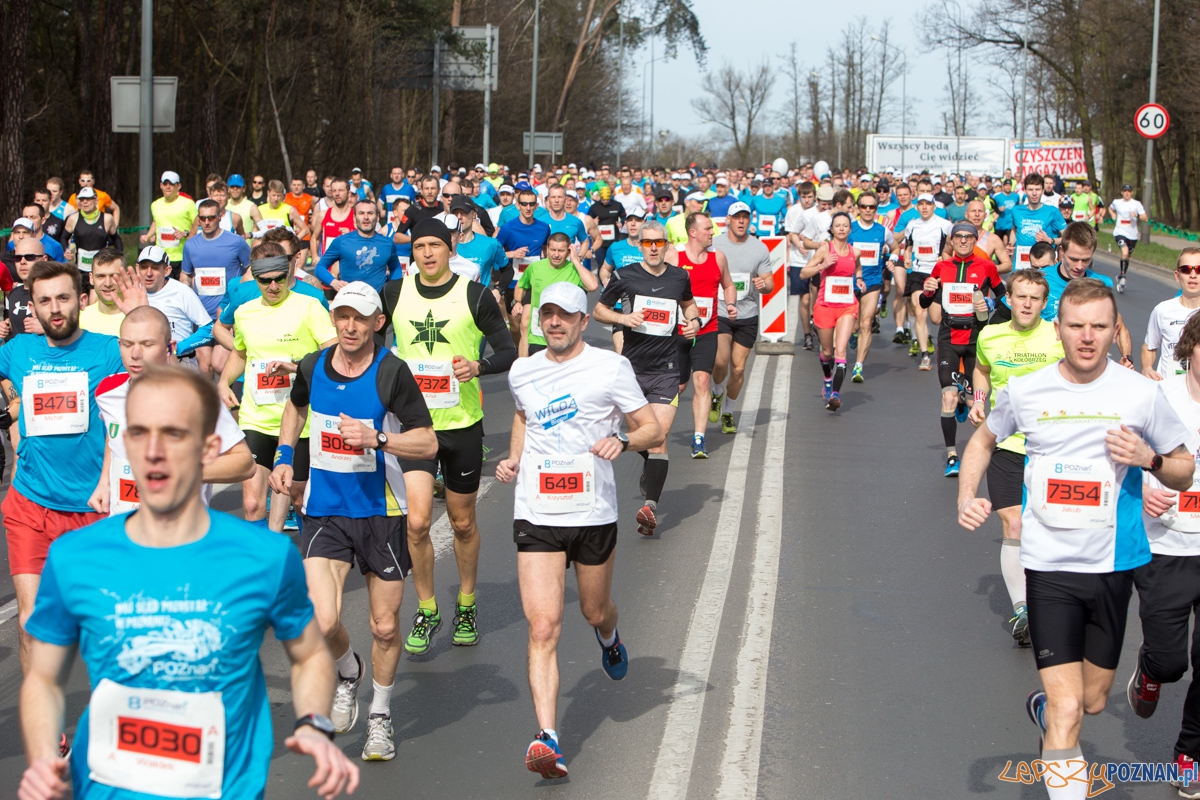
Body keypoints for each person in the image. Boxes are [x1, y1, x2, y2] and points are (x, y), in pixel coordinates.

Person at [18, 364, 359, 800]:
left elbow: (310, 652)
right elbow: (44, 679)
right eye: (139, 433)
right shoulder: (75, 558)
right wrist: (44, 754)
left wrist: (313, 722)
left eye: (174, 434)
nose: (154, 451)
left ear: (208, 448)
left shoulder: (263, 557)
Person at [958, 278, 1193, 800]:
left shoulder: (1141, 394)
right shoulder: (1026, 389)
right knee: (1069, 713)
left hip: (1112, 567)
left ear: (1115, 332)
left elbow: (1183, 467)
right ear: (1058, 329)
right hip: (1049, 566)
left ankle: (1043, 712)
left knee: (1090, 701)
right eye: (1076, 326)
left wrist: (1149, 459)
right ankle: (1056, 730)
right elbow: (984, 438)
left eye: (1099, 327)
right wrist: (966, 495)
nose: (1087, 337)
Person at [496, 282, 663, 780]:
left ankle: (609, 636)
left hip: (591, 511)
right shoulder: (523, 370)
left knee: (593, 609)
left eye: (565, 315)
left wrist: (623, 440)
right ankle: (547, 736)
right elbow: (525, 417)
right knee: (543, 626)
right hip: (538, 511)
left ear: (583, 321)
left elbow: (650, 427)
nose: (554, 323)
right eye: (547, 314)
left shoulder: (611, 367)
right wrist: (513, 458)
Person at [270, 282, 438, 761]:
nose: (349, 325)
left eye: (359, 318)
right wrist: (285, 455)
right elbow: (296, 405)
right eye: (342, 315)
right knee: (322, 621)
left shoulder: (392, 374)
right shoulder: (312, 365)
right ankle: (348, 672)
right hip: (324, 509)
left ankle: (380, 714)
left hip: (381, 512)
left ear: (377, 323)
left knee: (385, 627)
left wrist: (378, 441)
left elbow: (426, 444)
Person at [382, 219, 517, 654]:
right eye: (419, 246)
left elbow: (509, 352)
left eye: (434, 246)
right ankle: (427, 609)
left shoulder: (473, 295)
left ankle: (466, 602)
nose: (426, 253)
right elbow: (363, 342)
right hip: (415, 427)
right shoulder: (394, 293)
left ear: (449, 247)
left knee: (461, 522)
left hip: (461, 423)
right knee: (418, 523)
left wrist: (478, 368)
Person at [0, 261, 124, 677]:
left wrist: (143, 314)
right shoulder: (18, 351)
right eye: (45, 300)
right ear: (31, 307)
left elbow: (164, 380)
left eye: (64, 298)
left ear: (82, 300)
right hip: (30, 504)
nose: (55, 309)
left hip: (92, 506)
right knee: (31, 623)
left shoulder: (108, 349)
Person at [968, 269, 1063, 646]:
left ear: (1044, 303)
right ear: (1008, 298)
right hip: (1006, 445)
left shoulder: (1057, 336)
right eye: (1020, 297)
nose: (1026, 304)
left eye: (1034, 298)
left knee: (1050, 526)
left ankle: (1051, 596)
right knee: (1014, 524)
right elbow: (980, 371)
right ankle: (1023, 608)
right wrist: (978, 403)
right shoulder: (990, 335)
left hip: (1050, 447)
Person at [90, 306, 254, 516]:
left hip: (181, 536)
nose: (136, 354)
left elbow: (245, 463)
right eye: (128, 344)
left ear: (170, 347)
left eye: (147, 344)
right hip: (125, 535)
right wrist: (104, 482)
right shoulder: (107, 392)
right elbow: (113, 435)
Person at [218, 244, 337, 531]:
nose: (273, 286)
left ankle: (301, 559)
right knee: (252, 504)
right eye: (264, 280)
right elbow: (240, 351)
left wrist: (298, 368)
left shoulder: (309, 306)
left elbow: (333, 355)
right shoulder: (245, 313)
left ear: (289, 273)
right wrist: (222, 382)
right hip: (256, 419)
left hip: (300, 423)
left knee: (296, 498)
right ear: (255, 280)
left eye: (279, 278)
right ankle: (265, 565)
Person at [1129, 312, 1200, 793]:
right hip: (1166, 544)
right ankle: (1152, 669)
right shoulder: (1158, 395)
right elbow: (1113, 452)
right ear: (1190, 347)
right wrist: (1142, 485)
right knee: (1173, 660)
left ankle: (1189, 755)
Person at [592, 220, 699, 536]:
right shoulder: (625, 276)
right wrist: (623, 318)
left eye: (659, 243)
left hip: (666, 370)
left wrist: (693, 322)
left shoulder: (680, 277)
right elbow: (599, 310)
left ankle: (649, 507)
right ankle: (650, 465)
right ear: (639, 245)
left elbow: (689, 305)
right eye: (647, 242)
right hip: (631, 371)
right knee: (642, 435)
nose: (653, 248)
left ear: (667, 245)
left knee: (658, 437)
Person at [919, 221, 1002, 477]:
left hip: (976, 338)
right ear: (952, 241)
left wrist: (989, 303)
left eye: (969, 237)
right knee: (948, 396)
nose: (964, 241)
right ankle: (953, 456)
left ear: (975, 240)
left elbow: (1003, 297)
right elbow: (924, 302)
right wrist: (927, 290)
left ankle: (987, 448)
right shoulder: (942, 267)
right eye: (959, 237)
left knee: (973, 399)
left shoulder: (987, 266)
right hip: (948, 338)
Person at [667, 212, 736, 458]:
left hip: (708, 328)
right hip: (677, 330)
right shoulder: (674, 255)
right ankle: (658, 430)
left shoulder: (718, 257)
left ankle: (699, 438)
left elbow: (728, 284)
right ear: (692, 232)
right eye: (708, 228)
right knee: (678, 385)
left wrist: (730, 304)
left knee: (703, 382)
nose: (713, 232)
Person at [711, 202, 773, 432]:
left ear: (749, 220)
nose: (741, 221)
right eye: (736, 217)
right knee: (720, 361)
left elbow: (770, 284)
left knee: (738, 369)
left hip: (747, 314)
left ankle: (728, 411)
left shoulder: (759, 248)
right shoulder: (715, 245)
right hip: (720, 311)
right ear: (727, 219)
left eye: (745, 217)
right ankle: (716, 393)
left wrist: (762, 284)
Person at [180, 199, 251, 374]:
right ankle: (209, 401)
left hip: (226, 315)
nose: (206, 222)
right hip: (201, 316)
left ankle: (231, 398)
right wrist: (185, 293)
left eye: (211, 217)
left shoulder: (236, 242)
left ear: (220, 216)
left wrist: (241, 296)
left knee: (219, 364)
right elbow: (186, 274)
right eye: (202, 218)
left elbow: (250, 268)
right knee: (204, 366)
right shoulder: (190, 245)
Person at [800, 211, 860, 411]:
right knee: (827, 352)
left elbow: (856, 267)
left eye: (845, 225)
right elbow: (803, 273)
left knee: (840, 350)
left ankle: (835, 394)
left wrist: (859, 279)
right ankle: (827, 377)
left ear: (850, 229)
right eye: (838, 225)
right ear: (832, 229)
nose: (841, 228)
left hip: (847, 306)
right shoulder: (825, 249)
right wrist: (822, 265)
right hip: (825, 306)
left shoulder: (855, 251)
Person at [514, 233, 598, 357]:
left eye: (561, 250)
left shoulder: (574, 269)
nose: (556, 254)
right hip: (538, 334)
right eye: (553, 250)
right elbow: (521, 285)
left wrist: (576, 261)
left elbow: (593, 286)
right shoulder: (535, 267)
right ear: (547, 249)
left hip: (564, 334)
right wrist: (517, 302)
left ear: (569, 251)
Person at [135, 246, 214, 371]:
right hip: (144, 366)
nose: (149, 273)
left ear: (167, 270)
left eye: (155, 267)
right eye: (144, 267)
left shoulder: (181, 292)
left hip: (181, 364)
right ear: (137, 269)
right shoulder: (131, 293)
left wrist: (178, 348)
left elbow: (209, 329)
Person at [900, 193, 953, 369]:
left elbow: (952, 249)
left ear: (934, 206)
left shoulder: (944, 225)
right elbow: (907, 247)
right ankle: (925, 356)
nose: (924, 207)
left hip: (937, 274)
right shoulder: (912, 225)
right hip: (917, 273)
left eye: (927, 204)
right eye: (921, 204)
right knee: (920, 313)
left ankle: (931, 339)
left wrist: (945, 259)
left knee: (936, 319)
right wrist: (907, 258)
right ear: (917, 207)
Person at [846, 191, 894, 382]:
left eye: (871, 207)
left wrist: (893, 256)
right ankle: (852, 334)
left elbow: (896, 246)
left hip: (873, 282)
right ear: (858, 208)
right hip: (849, 282)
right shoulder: (850, 229)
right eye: (864, 206)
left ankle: (858, 366)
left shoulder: (883, 231)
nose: (867, 210)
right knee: (854, 324)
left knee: (866, 322)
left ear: (876, 208)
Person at [313, 200, 402, 293]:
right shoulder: (341, 241)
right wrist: (334, 282)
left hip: (378, 302)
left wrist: (392, 287)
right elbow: (320, 267)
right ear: (354, 218)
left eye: (370, 213)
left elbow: (396, 267)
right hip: (349, 300)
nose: (366, 217)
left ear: (377, 217)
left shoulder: (387, 243)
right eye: (361, 213)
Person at [140, 171, 196, 280]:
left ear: (178, 186)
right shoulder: (155, 205)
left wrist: (186, 233)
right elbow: (156, 222)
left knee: (182, 289)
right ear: (161, 186)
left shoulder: (188, 204)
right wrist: (148, 235)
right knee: (163, 289)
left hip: (182, 256)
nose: (168, 187)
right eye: (165, 184)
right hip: (161, 256)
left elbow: (197, 223)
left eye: (171, 184)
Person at [78, 249, 145, 337]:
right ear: (91, 278)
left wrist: (142, 317)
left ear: (126, 276)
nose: (108, 283)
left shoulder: (140, 316)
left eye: (114, 276)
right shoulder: (79, 318)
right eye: (101, 276)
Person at [784, 182, 819, 350]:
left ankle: (816, 322)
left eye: (810, 197)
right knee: (804, 300)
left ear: (815, 196)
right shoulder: (794, 211)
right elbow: (791, 234)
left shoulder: (820, 211)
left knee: (817, 298)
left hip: (817, 261)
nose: (807, 200)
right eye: (804, 197)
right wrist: (800, 245)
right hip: (799, 261)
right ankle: (807, 334)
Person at [1010, 171, 1064, 271]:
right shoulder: (1016, 211)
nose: (1034, 193)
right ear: (1025, 190)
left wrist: (1050, 240)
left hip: (1044, 266)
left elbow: (1067, 237)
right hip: (1021, 264)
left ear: (1043, 190)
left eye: (1037, 189)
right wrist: (1010, 244)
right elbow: (1014, 230)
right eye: (1030, 189)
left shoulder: (1053, 211)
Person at [63, 189, 116, 287]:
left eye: (88, 199)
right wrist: (66, 250)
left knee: (94, 299)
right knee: (81, 300)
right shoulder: (73, 219)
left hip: (99, 269)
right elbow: (63, 237)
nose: (85, 202)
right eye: (82, 199)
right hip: (79, 269)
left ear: (96, 200)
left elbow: (116, 239)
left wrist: (119, 260)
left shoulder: (107, 218)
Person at [1108, 183, 1148, 294]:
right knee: (1124, 252)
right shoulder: (1117, 202)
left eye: (1129, 191)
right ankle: (1123, 277)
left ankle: (1121, 275)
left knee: (1127, 257)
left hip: (1133, 234)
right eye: (1125, 191)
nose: (1127, 193)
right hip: (1119, 232)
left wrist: (1137, 215)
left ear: (1132, 193)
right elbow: (1110, 208)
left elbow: (1145, 218)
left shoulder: (1136, 204)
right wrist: (1113, 215)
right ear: (1122, 192)